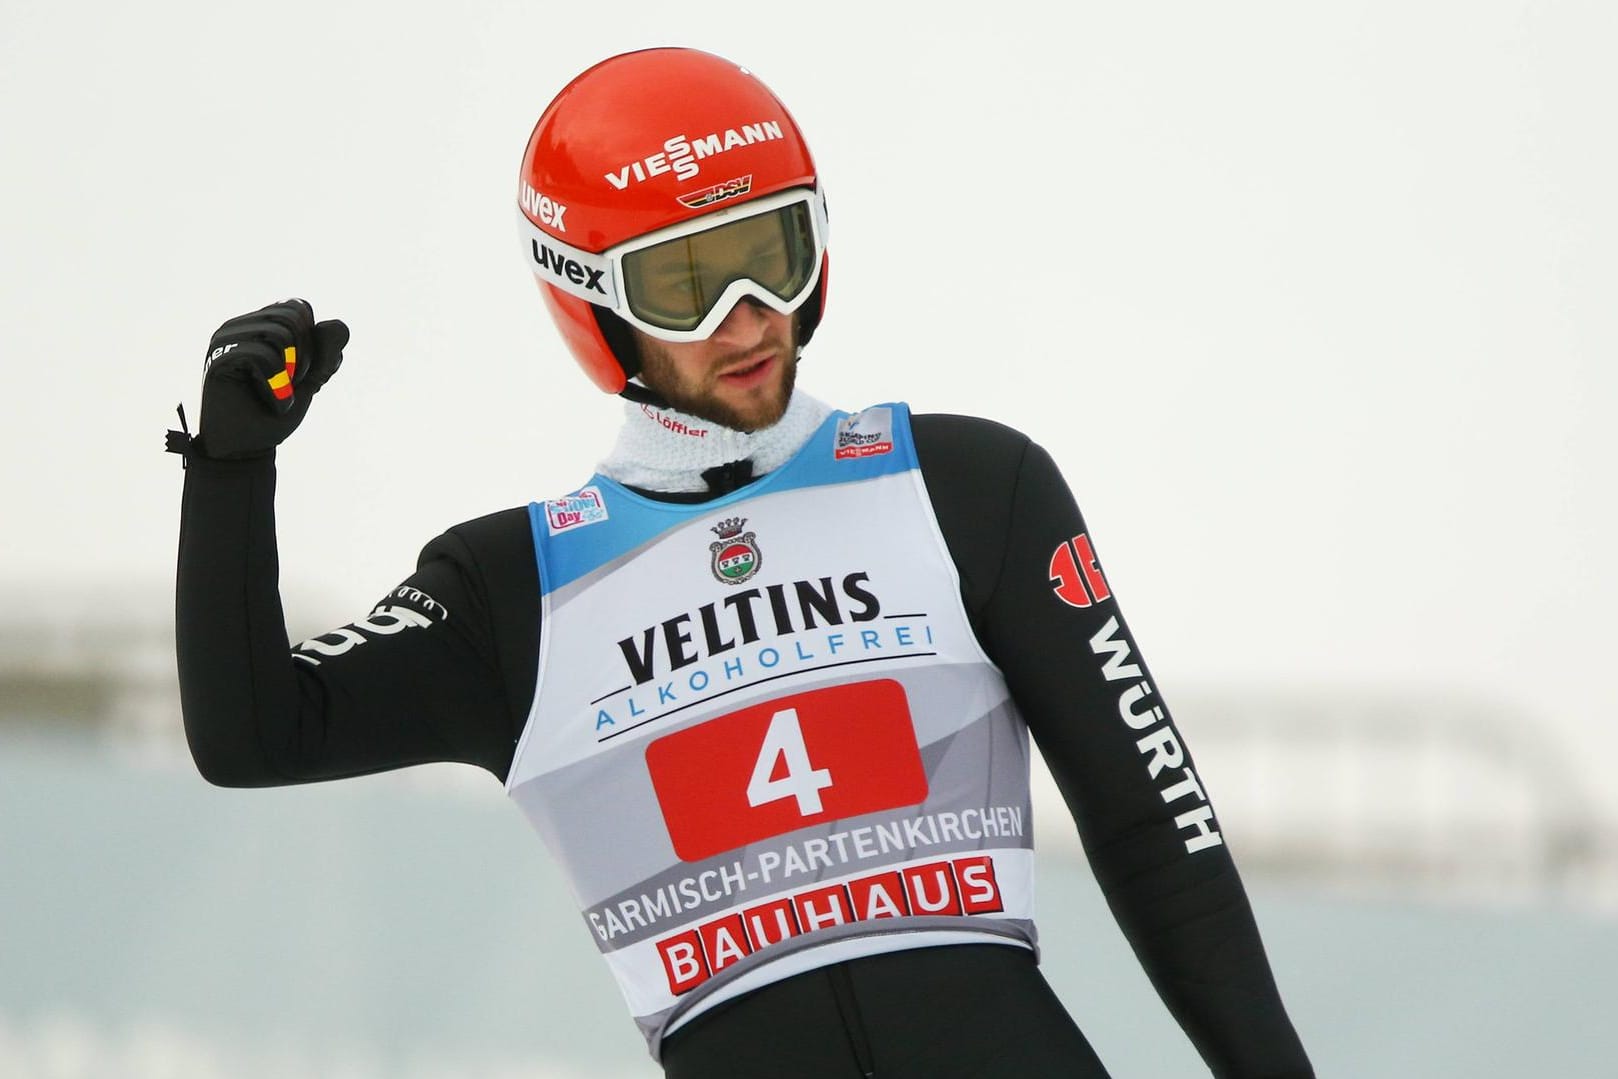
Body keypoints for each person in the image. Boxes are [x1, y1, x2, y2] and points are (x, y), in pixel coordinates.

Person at [171, 47, 1313, 1079]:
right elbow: (253, 733)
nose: (748, 315)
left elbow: (1152, 827)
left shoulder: (966, 485)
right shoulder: (512, 592)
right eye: (686, 282)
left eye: (771, 253)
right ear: (592, 302)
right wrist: (228, 479)